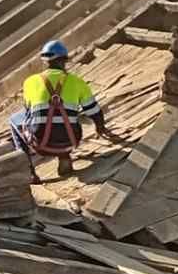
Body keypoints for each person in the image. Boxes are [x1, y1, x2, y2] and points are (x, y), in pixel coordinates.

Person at [9, 40, 107, 181]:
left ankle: (30, 172)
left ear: (44, 61)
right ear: (65, 61)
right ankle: (64, 156)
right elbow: (94, 111)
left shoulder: (30, 82)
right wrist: (100, 127)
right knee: (67, 117)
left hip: (40, 145)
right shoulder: (77, 82)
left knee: (14, 120)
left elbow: (29, 113)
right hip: (70, 142)